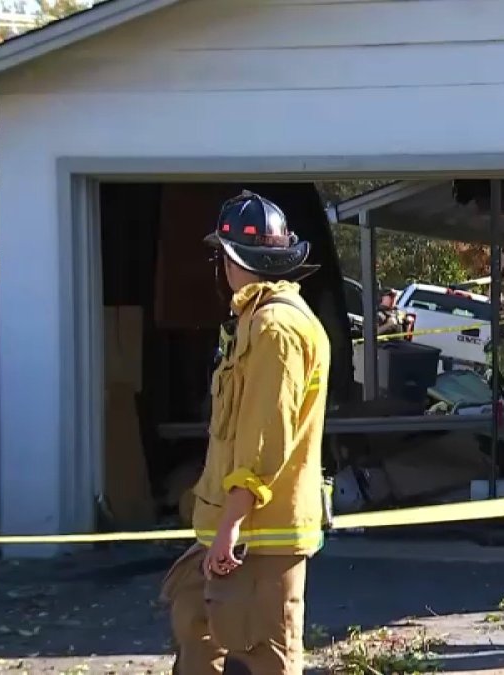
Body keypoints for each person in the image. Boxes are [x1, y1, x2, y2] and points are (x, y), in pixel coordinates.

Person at [161, 191, 331, 675]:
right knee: (196, 626)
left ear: (234, 260)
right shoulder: (255, 321)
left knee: (264, 656)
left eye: (221, 256)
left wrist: (232, 525)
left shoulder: (276, 330)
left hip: (259, 534)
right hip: (235, 529)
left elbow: (264, 436)